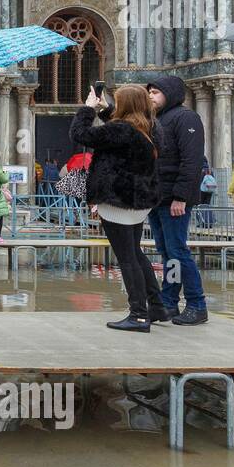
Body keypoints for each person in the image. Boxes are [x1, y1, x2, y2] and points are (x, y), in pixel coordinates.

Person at [66, 84, 165, 332]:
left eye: (118, 102)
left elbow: (80, 134)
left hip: (117, 200)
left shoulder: (121, 130)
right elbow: (120, 126)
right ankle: (156, 306)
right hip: (139, 201)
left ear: (126, 105)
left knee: (127, 258)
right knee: (135, 253)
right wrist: (105, 109)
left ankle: (139, 315)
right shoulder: (152, 127)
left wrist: (87, 110)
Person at [146, 75, 207, 325]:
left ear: (170, 94)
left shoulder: (186, 118)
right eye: (149, 91)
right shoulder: (157, 120)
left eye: (156, 92)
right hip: (158, 197)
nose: (151, 95)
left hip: (174, 198)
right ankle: (169, 302)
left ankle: (197, 304)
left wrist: (181, 196)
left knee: (178, 251)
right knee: (166, 252)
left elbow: (192, 161)